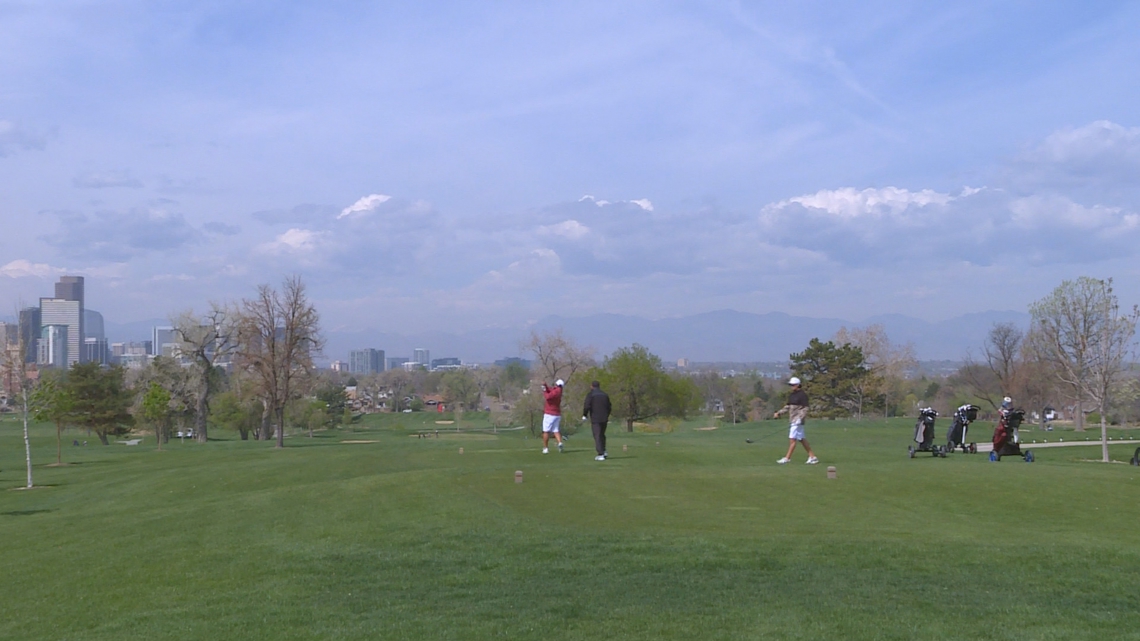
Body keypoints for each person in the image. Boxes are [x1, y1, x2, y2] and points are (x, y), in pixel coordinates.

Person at [773, 376, 818, 465]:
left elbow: (805, 409)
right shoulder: (792, 395)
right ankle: (813, 457)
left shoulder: (802, 395)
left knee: (792, 439)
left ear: (798, 385)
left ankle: (787, 458)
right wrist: (779, 413)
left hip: (797, 421)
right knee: (801, 439)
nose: (791, 387)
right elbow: (788, 407)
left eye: (793, 385)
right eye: (791, 385)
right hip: (793, 420)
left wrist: (799, 419)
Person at [582, 380, 612, 461]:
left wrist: (585, 415)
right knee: (602, 434)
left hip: (595, 418)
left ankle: (601, 453)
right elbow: (609, 407)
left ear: (592, 386)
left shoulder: (591, 395)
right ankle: (604, 450)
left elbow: (587, 405)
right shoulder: (605, 395)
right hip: (604, 418)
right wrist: (607, 415)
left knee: (597, 435)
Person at [541, 379, 565, 454]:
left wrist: (544, 390)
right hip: (557, 414)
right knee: (555, 430)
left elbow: (548, 397)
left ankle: (545, 448)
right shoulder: (558, 391)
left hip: (549, 413)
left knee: (546, 431)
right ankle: (559, 442)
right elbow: (550, 391)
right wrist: (545, 386)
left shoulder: (556, 391)